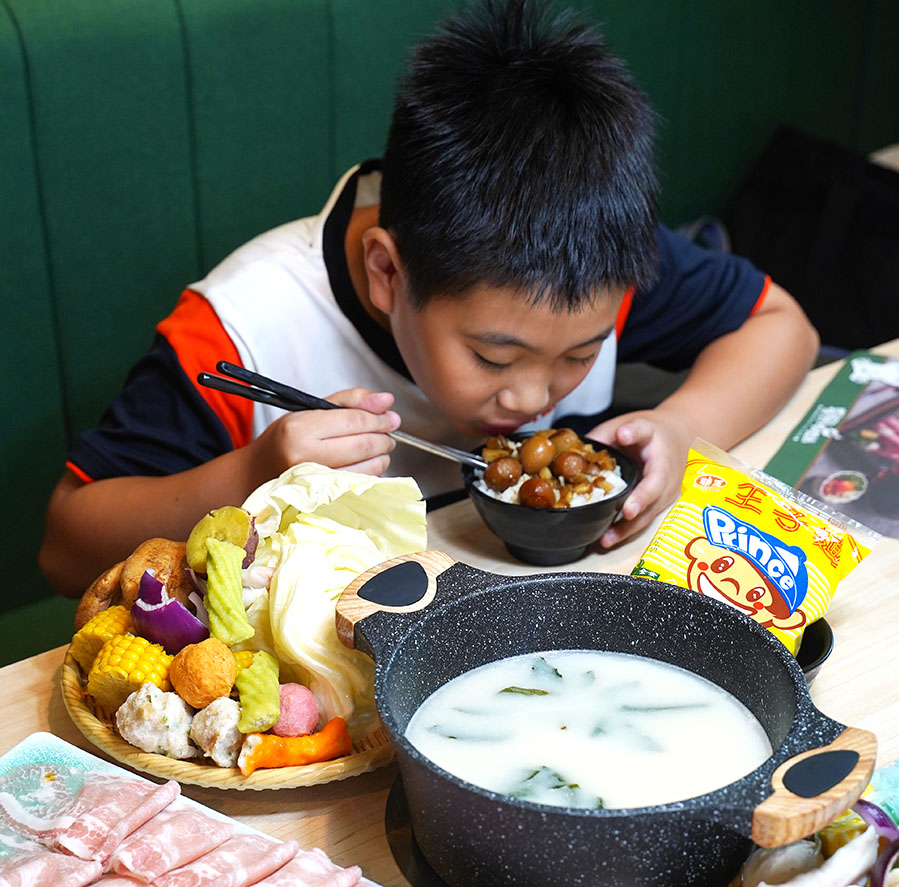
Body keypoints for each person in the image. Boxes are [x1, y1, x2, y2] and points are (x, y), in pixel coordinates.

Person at [39, 0, 819, 597]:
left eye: (580, 356)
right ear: (386, 272)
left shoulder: (583, 260)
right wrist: (249, 476)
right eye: (491, 355)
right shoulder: (246, 327)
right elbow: (66, 544)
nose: (534, 397)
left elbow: (783, 325)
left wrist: (684, 429)